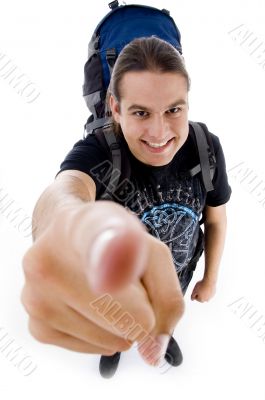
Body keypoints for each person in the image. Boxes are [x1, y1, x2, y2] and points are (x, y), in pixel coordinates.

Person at [21, 37, 231, 378]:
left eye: (174, 110)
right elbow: (65, 190)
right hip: (114, 290)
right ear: (115, 108)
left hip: (178, 278)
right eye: (141, 112)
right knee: (116, 329)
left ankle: (165, 336)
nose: (160, 132)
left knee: (165, 314)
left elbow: (217, 219)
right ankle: (114, 349)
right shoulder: (99, 153)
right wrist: (64, 227)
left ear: (188, 105)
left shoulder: (206, 147)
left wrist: (210, 279)